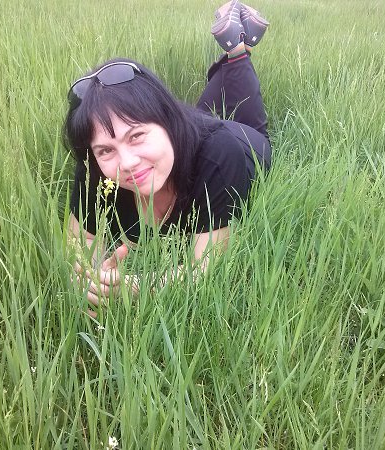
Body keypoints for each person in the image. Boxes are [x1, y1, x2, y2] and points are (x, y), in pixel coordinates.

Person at [65, 1, 271, 311]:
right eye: (106, 149)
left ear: (167, 120)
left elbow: (207, 269)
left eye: (136, 136)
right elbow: (79, 248)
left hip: (245, 141)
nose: (127, 162)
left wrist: (134, 288)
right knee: (204, 111)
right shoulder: (94, 167)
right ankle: (232, 52)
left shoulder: (220, 154)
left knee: (246, 112)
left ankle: (239, 48)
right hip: (194, 125)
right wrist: (91, 281)